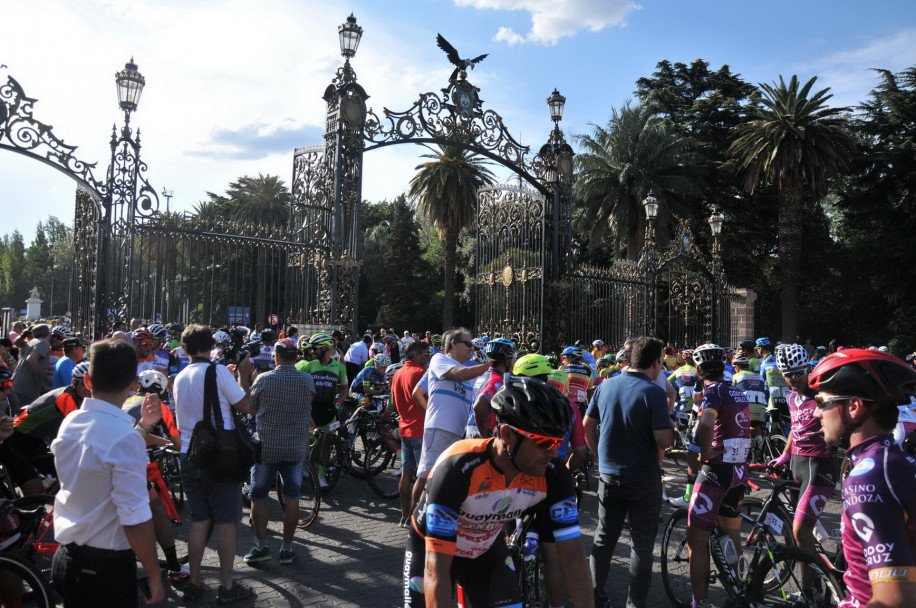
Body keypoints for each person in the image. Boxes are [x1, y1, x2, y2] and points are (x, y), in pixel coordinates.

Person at [402, 375, 595, 608]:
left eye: (558, 442)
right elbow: (436, 569)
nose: (554, 454)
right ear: (506, 435)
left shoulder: (552, 473)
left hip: (485, 551)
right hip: (431, 551)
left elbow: (573, 555)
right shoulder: (457, 469)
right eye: (545, 443)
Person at [50, 339, 165, 606]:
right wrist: (154, 574)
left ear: (87, 381)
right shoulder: (124, 438)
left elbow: (102, 454)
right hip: (103, 569)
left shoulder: (72, 421)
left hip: (66, 559)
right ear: (134, 384)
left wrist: (143, 427)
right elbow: (135, 518)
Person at [810, 349, 916, 608]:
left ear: (854, 407)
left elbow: (894, 601)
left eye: (822, 402)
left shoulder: (868, 478)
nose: (816, 414)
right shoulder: (893, 462)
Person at [583, 336, 674, 608]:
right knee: (642, 545)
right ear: (656, 362)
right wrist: (670, 422)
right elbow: (663, 440)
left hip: (609, 476)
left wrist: (599, 456)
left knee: (603, 540)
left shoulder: (606, 385)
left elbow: (588, 425)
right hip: (643, 478)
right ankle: (635, 604)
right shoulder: (654, 392)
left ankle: (595, 598)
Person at [173, 325, 254, 603]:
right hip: (219, 456)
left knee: (199, 519)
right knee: (227, 521)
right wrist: (243, 374)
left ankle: (194, 581)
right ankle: (228, 585)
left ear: (184, 348)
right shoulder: (218, 372)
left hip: (188, 453)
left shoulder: (180, 376)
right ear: (211, 345)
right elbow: (247, 406)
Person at [766, 343, 837, 601]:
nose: (793, 379)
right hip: (797, 464)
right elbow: (795, 430)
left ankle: (814, 590)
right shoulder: (789, 396)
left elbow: (839, 425)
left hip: (819, 467)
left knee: (800, 531)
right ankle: (814, 581)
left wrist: (830, 436)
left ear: (807, 368)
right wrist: (785, 454)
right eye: (788, 374)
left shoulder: (820, 394)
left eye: (798, 373)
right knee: (802, 533)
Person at [685, 344, 751, 608]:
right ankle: (738, 591)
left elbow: (707, 423)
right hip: (739, 471)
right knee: (731, 533)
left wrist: (704, 453)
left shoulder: (712, 392)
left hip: (717, 470)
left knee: (696, 539)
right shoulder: (738, 391)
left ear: (699, 371)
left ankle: (699, 601)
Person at [244, 338, 315, 565]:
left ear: (276, 356)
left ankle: (262, 546)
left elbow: (250, 408)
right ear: (296, 357)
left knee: (258, 495)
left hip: (267, 446)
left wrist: (243, 377)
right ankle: (287, 548)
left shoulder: (265, 379)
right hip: (295, 447)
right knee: (292, 497)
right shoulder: (307, 381)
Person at [414, 328, 489, 504]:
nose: (472, 348)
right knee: (427, 477)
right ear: (454, 344)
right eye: (468, 344)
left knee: (443, 479)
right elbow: (458, 375)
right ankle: (411, 521)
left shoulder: (470, 368)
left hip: (457, 432)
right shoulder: (440, 359)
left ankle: (429, 518)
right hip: (439, 428)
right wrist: (489, 365)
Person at [390, 340, 431, 526]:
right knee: (422, 477)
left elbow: (392, 402)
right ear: (415, 354)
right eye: (425, 353)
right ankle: (414, 518)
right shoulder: (422, 374)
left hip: (404, 428)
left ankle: (404, 515)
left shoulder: (397, 374)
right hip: (420, 429)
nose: (427, 356)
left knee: (406, 474)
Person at [470, 338, 517, 438]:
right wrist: (484, 436)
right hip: (481, 433)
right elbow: (478, 406)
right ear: (507, 359)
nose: (514, 362)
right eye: (513, 358)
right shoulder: (497, 381)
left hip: (471, 429)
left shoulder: (484, 375)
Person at [11, 323, 52, 407]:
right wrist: (46, 380)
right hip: (27, 390)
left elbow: (16, 342)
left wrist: (23, 334)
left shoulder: (31, 343)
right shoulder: (43, 342)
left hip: (16, 386)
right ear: (48, 334)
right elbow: (31, 359)